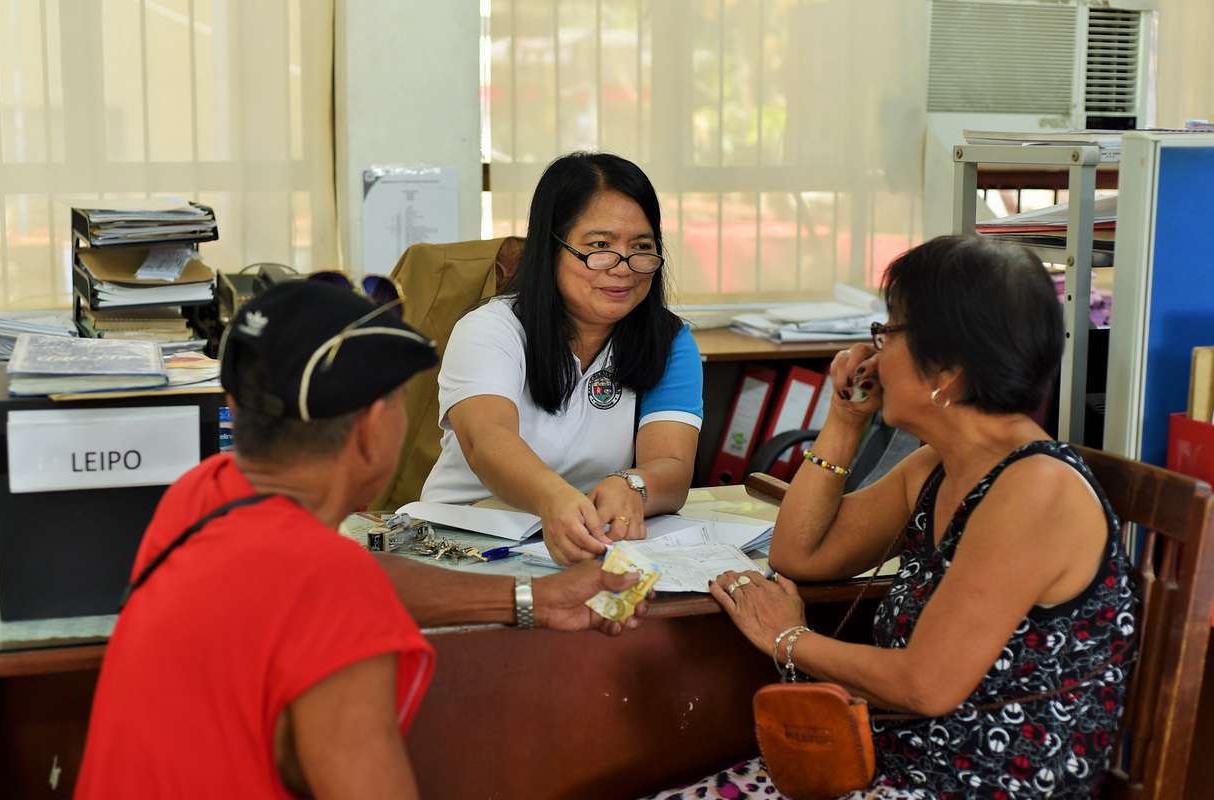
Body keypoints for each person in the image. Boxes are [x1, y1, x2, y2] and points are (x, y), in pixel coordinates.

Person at [77, 280, 650, 799]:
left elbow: (337, 582)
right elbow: (335, 593)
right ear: (374, 427)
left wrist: (533, 598)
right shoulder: (329, 592)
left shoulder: (202, 496)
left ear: (235, 408)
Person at [647, 236, 1138, 799]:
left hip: (978, 784)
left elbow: (926, 686)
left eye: (889, 332)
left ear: (947, 372)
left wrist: (787, 637)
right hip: (894, 765)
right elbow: (799, 555)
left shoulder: (1035, 490)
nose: (873, 353)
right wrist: (844, 421)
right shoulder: (941, 464)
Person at [421, 152, 703, 565]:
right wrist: (556, 499)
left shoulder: (669, 340)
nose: (623, 267)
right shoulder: (491, 330)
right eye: (600, 246)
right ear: (551, 246)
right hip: (466, 538)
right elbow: (488, 442)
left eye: (641, 247)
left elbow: (672, 467)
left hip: (591, 544)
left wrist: (634, 485)